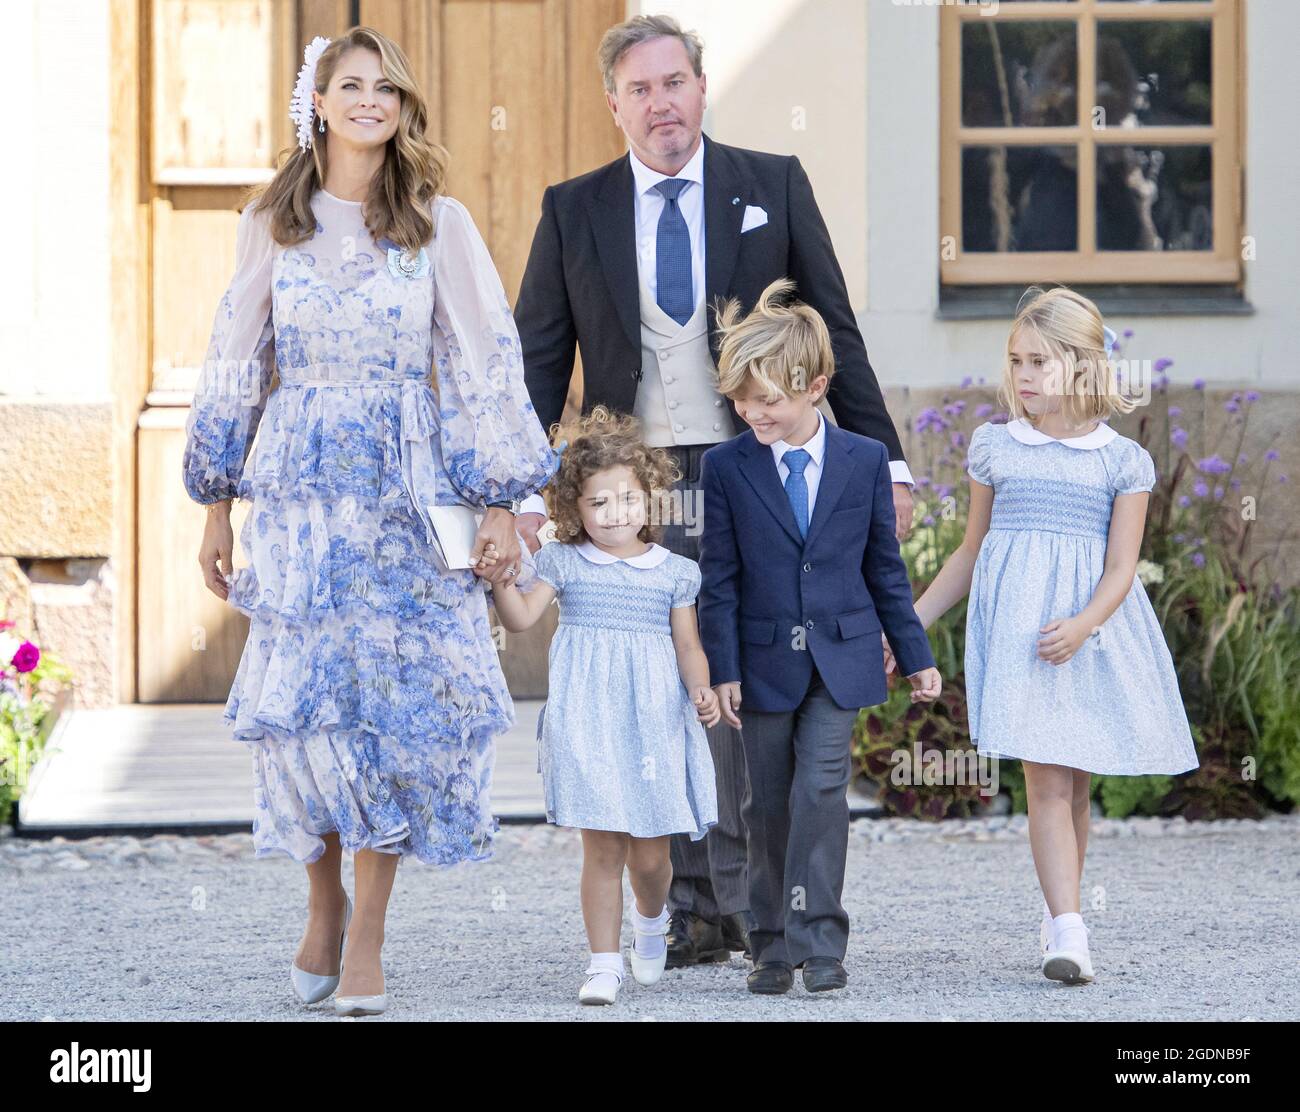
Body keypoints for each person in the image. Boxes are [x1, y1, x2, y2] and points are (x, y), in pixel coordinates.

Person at [511, 12, 917, 968]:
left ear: (701, 88)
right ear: (614, 105)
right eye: (640, 89)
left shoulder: (769, 185)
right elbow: (537, 359)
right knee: (659, 686)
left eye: (675, 83)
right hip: (631, 491)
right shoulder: (574, 209)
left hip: (752, 471)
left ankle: (753, 903)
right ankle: (692, 907)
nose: (662, 103)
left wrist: (885, 459)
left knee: (745, 675)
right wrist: (522, 492)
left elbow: (834, 328)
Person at [181, 28, 557, 1017]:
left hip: (410, 495)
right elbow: (236, 360)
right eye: (350, 85)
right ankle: (321, 899)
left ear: (401, 109)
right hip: (302, 506)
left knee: (396, 718)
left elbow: (484, 363)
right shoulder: (272, 221)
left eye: (385, 88)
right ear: (319, 103)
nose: (369, 101)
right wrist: (217, 505)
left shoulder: (442, 223)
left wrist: (501, 500)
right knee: (308, 716)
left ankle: (370, 938)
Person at [900, 286, 1199, 984]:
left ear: (1083, 364)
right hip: (1020, 637)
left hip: (1087, 635)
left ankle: (1060, 911)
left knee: (1074, 780)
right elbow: (969, 553)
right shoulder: (996, 446)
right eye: (1016, 360)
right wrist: (910, 621)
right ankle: (1069, 925)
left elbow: (1123, 565)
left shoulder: (1119, 461)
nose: (1025, 374)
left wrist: (1086, 624)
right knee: (1044, 781)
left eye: (1040, 360)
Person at [698, 280, 941, 995]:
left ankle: (822, 939)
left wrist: (917, 656)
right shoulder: (725, 467)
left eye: (768, 399)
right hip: (763, 663)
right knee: (763, 803)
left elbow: (884, 570)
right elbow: (720, 579)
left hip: (844, 656)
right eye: (742, 399)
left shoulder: (865, 461)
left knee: (823, 791)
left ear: (816, 387)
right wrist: (722, 667)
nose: (753, 412)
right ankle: (769, 943)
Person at [480, 406, 720, 1005]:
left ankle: (649, 919)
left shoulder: (675, 572)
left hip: (656, 720)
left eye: (628, 499)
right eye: (599, 504)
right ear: (574, 509)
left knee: (650, 856)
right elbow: (521, 617)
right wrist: (499, 580)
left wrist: (702, 688)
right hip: (588, 717)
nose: (616, 514)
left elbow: (688, 645)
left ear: (650, 498)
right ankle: (603, 962)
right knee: (603, 846)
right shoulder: (562, 562)